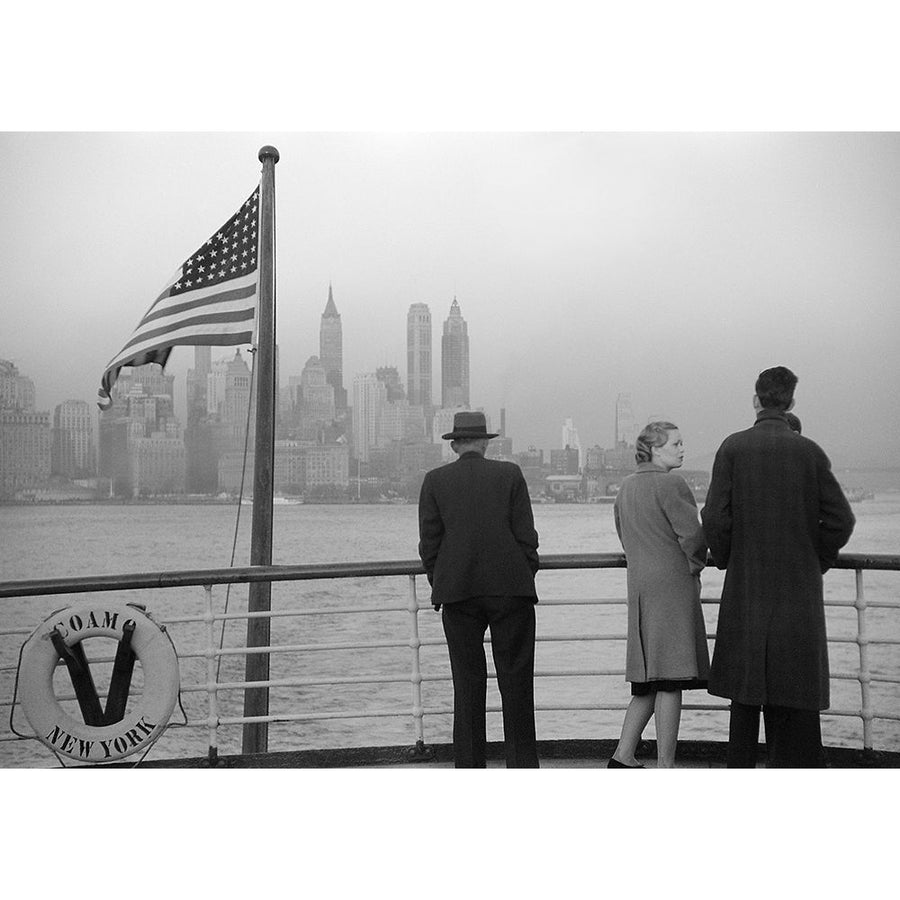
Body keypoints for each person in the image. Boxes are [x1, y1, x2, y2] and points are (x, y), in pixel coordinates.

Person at [702, 367, 855, 767]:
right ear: (791, 403)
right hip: (797, 594)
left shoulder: (732, 449)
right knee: (794, 694)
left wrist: (728, 558)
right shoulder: (809, 452)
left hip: (747, 589)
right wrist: (815, 561)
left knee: (746, 694)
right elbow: (841, 520)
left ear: (757, 400)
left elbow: (715, 518)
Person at [418, 410, 541, 768]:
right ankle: (521, 767)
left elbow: (430, 544)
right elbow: (526, 538)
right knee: (516, 682)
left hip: (458, 591)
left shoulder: (435, 481)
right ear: (486, 443)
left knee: (467, 684)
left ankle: (470, 767)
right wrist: (523, 573)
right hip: (510, 589)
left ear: (454, 445)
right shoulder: (510, 475)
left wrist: (441, 578)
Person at [608, 422, 709, 769]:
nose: (682, 448)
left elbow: (623, 533)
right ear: (655, 449)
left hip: (640, 587)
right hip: (672, 588)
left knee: (649, 677)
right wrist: (695, 568)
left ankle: (624, 754)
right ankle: (666, 764)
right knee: (670, 677)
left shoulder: (626, 487)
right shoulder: (672, 484)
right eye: (676, 443)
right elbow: (693, 537)